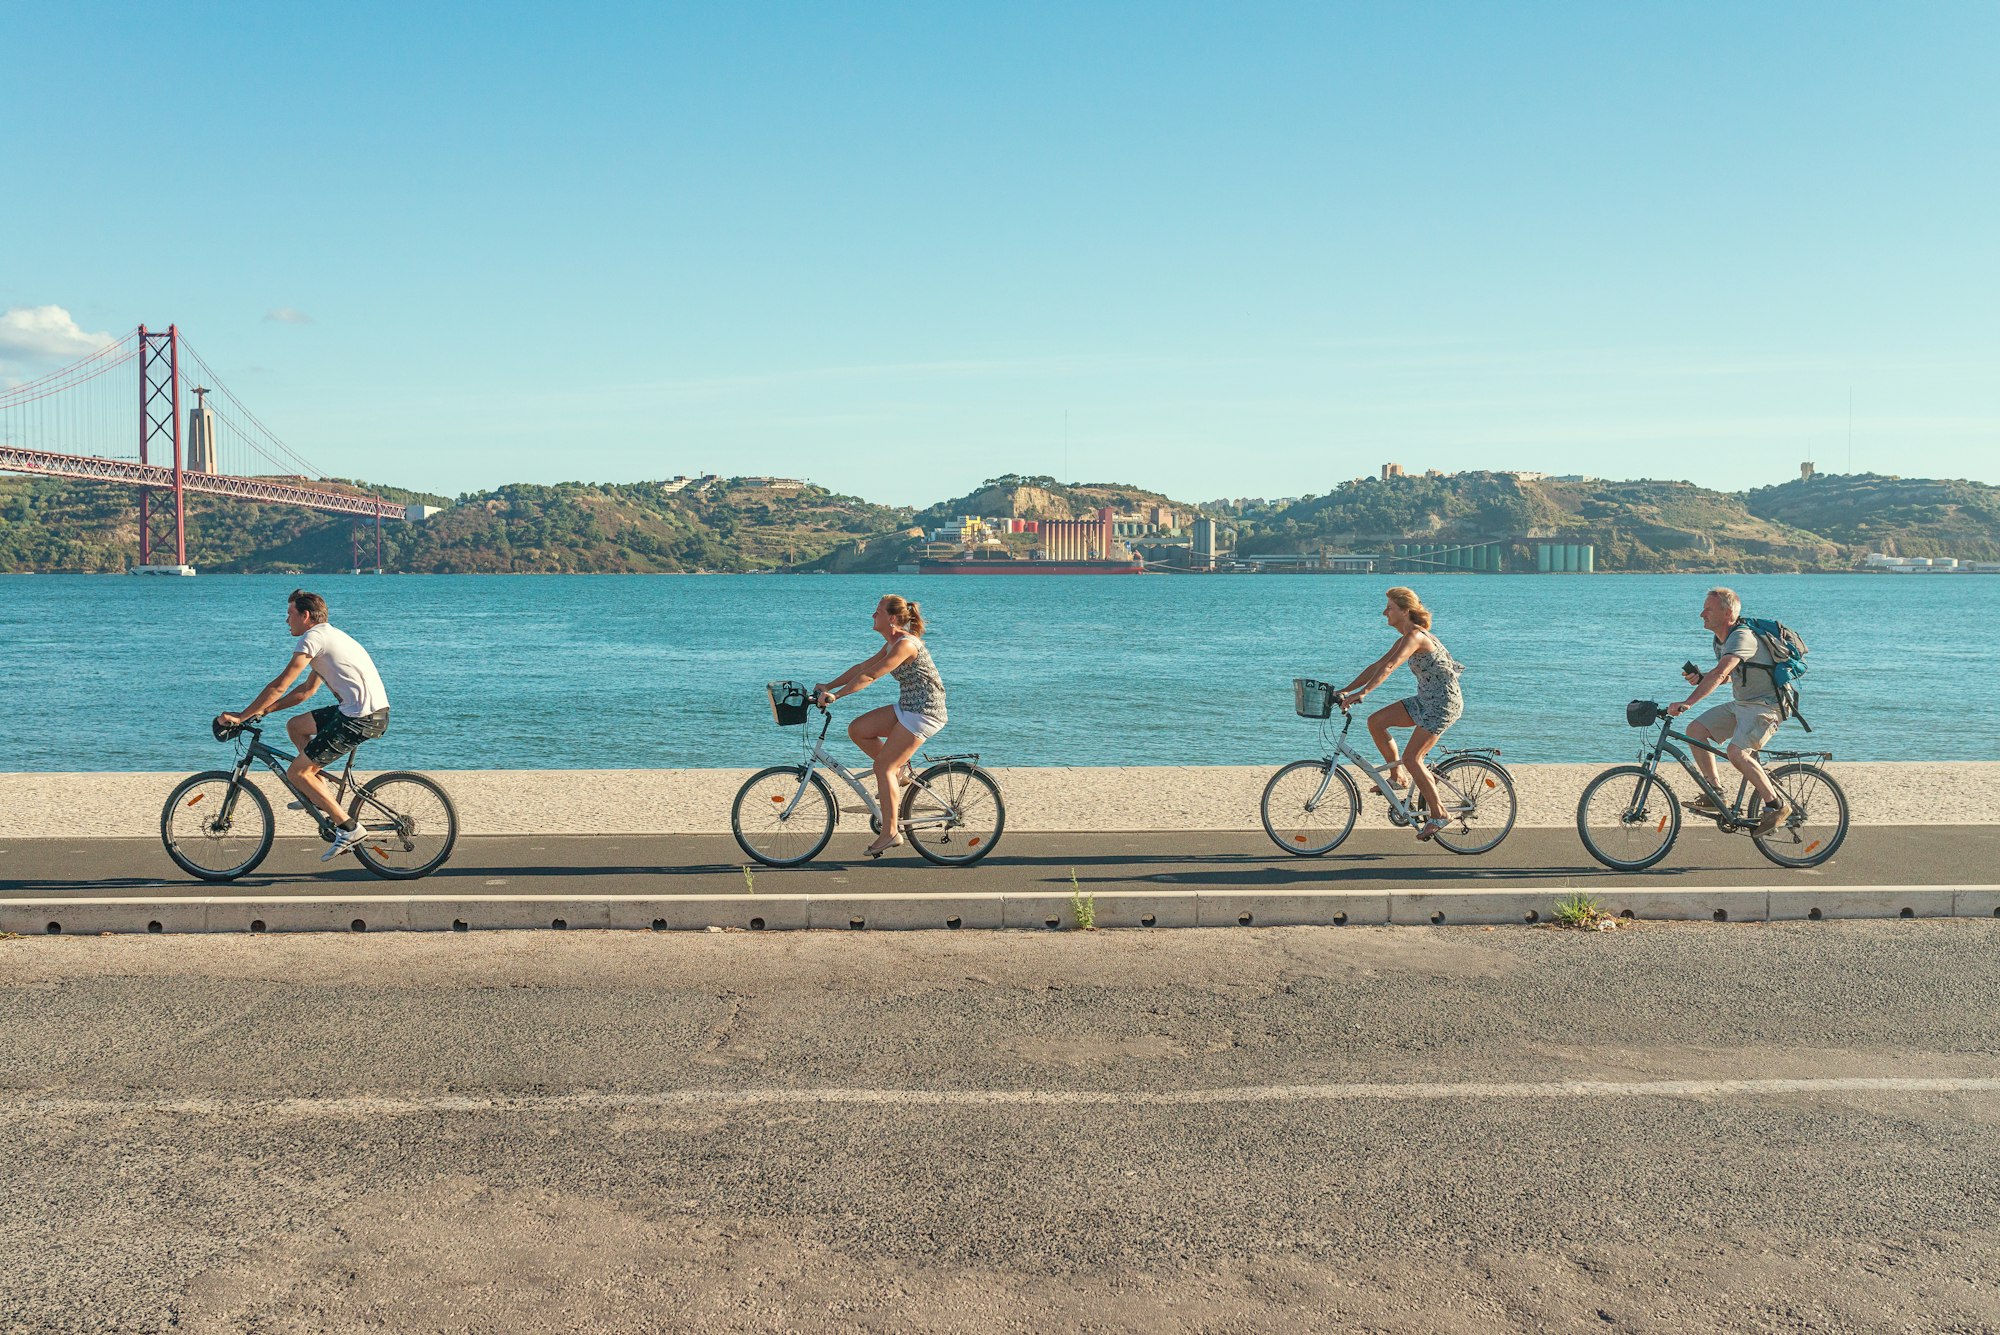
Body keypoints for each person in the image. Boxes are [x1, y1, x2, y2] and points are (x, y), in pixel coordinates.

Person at [218, 589, 391, 861]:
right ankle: (318, 786)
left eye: (290, 614)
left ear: (305, 616)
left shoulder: (314, 638)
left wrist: (242, 716)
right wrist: (265, 710)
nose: (286, 620)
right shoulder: (327, 636)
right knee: (296, 726)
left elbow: (280, 684)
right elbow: (307, 690)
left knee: (296, 773)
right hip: (362, 710)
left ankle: (348, 828)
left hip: (360, 716)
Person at [812, 594, 947, 857]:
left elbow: (872, 675)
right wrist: (828, 685)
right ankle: (899, 775)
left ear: (892, 618)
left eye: (877, 612)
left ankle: (891, 832)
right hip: (908, 707)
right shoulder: (892, 642)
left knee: (882, 766)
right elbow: (862, 666)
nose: (873, 616)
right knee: (858, 730)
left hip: (925, 712)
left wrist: (837, 696)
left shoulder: (905, 645)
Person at [1331, 586, 1464, 841]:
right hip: (1426, 700)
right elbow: (1378, 665)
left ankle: (1440, 813)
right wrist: (1346, 691)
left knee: (1412, 758)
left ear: (1404, 611)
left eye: (1389, 608)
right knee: (1376, 722)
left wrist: (1365, 693)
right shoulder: (1405, 638)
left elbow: (1390, 667)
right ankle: (1397, 778)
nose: (1384, 613)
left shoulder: (1416, 637)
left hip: (1443, 704)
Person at [1667, 586, 1789, 832]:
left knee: (1737, 752)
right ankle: (1716, 793)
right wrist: (1702, 678)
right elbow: (1726, 675)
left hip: (1765, 707)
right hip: (1742, 705)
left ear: (1728, 613)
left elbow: (1722, 671)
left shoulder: (1742, 636)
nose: (1702, 614)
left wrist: (1688, 702)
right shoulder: (1721, 640)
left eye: (1708, 609)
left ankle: (1775, 805)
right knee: (1695, 730)